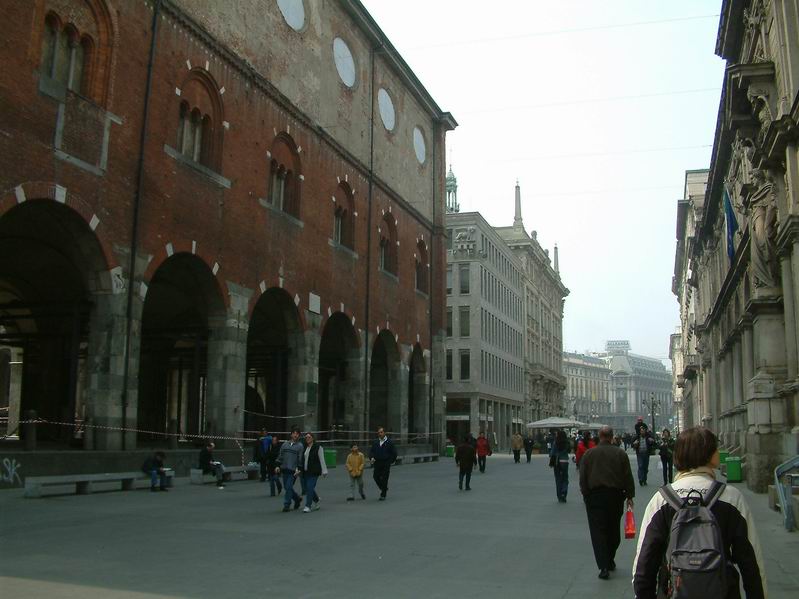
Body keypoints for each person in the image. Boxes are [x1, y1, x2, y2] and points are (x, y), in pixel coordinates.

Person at [633, 427, 766, 598]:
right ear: (711, 456)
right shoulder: (731, 498)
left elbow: (644, 564)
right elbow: (751, 563)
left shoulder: (661, 500)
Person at [579, 425, 635, 580]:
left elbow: (583, 476)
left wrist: (585, 494)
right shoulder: (620, 454)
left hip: (595, 496)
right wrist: (630, 496)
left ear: (599, 436)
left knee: (598, 531)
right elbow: (627, 476)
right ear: (611, 437)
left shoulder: (589, 454)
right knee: (613, 529)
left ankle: (603, 566)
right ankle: (609, 558)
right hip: (615, 496)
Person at [274, 426, 304, 512]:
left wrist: (298, 469)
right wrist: (277, 465)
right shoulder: (285, 445)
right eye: (294, 433)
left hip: (293, 470)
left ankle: (286, 504)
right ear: (291, 435)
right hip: (284, 469)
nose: (295, 435)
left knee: (288, 486)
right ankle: (297, 499)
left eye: (297, 434)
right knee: (287, 488)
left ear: (299, 436)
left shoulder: (300, 446)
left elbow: (300, 458)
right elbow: (280, 456)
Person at [300, 432, 327, 513]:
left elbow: (322, 459)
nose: (307, 439)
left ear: (313, 438)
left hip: (314, 471)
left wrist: (324, 471)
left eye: (309, 437)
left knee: (309, 487)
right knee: (308, 488)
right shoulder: (305, 447)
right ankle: (316, 500)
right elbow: (302, 459)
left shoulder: (318, 447)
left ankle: (308, 506)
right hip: (305, 471)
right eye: (306, 437)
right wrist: (299, 469)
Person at [369, 426, 397, 501]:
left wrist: (391, 461)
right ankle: (383, 488)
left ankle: (383, 494)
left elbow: (394, 453)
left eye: (381, 432)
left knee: (384, 478)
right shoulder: (375, 442)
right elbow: (371, 451)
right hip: (377, 462)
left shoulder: (389, 442)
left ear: (384, 433)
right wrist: (371, 457)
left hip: (386, 462)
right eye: (378, 432)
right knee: (376, 476)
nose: (380, 434)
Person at [549, 429, 570, 502]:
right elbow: (569, 450)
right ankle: (564, 492)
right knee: (565, 478)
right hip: (565, 461)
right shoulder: (567, 442)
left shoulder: (556, 442)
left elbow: (552, 453)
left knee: (558, 479)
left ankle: (559, 496)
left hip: (557, 462)